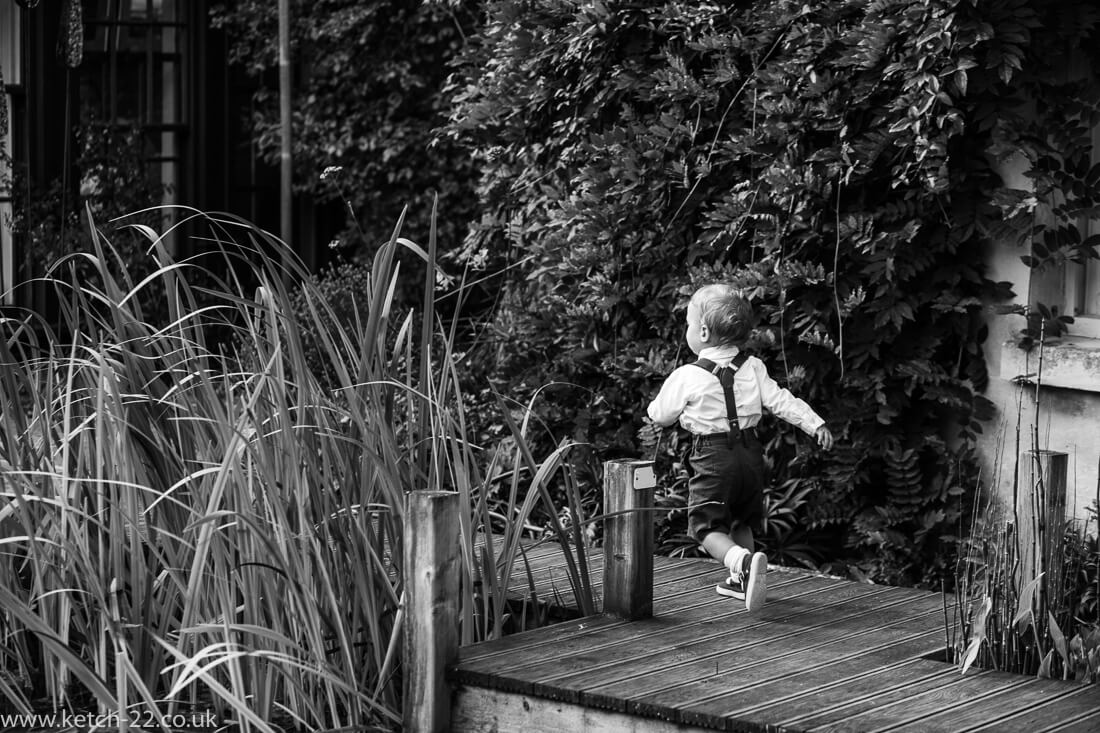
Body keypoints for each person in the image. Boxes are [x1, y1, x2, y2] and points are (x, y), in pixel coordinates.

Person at [643, 283, 834, 612]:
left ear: (702, 331)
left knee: (705, 526)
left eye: (689, 324)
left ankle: (743, 563)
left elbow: (660, 415)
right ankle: (743, 582)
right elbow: (781, 401)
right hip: (750, 455)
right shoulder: (754, 367)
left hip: (713, 457)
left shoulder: (687, 375)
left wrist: (658, 412)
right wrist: (814, 423)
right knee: (741, 520)